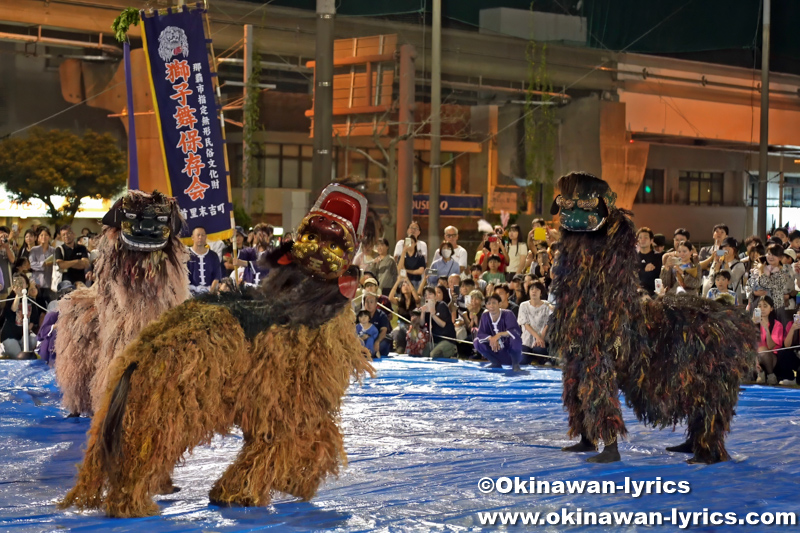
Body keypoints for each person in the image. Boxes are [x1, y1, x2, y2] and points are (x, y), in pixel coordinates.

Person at [473, 293, 525, 371]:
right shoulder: (485, 316)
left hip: (509, 353)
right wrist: (491, 338)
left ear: (499, 304)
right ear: (486, 306)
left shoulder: (508, 314)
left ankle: (515, 364)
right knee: (477, 341)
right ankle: (495, 362)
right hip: (495, 351)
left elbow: (515, 330)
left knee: (515, 339)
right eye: (489, 303)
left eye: (494, 303)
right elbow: (481, 333)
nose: (491, 306)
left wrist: (499, 335)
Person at [748, 244, 792, 324]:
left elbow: (766, 283)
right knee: (757, 331)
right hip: (758, 306)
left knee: (774, 332)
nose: (770, 257)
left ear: (780, 258)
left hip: (775, 308)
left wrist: (761, 271)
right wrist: (754, 292)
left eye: (774, 254)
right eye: (769, 253)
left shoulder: (782, 273)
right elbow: (749, 284)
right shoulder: (760, 268)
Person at [1, 273, 40, 358]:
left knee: (33, 340)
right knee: (19, 357)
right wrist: (17, 295)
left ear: (26, 284)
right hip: (10, 335)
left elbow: (33, 321)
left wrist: (24, 334)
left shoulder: (31, 301)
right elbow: (12, 310)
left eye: (22, 282)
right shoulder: (10, 297)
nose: (20, 285)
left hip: (23, 333)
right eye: (18, 282)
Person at [703, 236, 746, 304]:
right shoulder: (719, 262)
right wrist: (715, 263)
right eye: (723, 248)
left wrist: (726, 264)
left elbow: (731, 280)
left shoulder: (739, 265)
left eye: (728, 248)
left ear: (734, 250)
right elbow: (711, 280)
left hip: (731, 299)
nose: (725, 250)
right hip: (716, 299)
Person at [517, 281, 552, 365]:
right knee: (522, 360)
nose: (534, 291)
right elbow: (526, 324)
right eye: (531, 289)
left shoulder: (547, 305)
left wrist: (541, 338)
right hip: (527, 340)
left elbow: (548, 323)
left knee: (539, 350)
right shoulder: (523, 305)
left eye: (537, 289)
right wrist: (537, 337)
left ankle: (546, 360)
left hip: (542, 340)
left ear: (541, 292)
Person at [419, 286, 458, 358]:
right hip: (435, 340)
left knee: (434, 354)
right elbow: (421, 324)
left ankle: (453, 352)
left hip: (447, 339)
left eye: (430, 294)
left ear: (435, 296)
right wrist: (423, 313)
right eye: (425, 295)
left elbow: (443, 325)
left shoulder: (442, 305)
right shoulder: (427, 309)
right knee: (424, 354)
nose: (428, 296)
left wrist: (433, 315)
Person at [754, 296, 785, 385]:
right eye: (759, 306)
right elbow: (749, 345)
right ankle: (759, 373)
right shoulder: (753, 324)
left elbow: (771, 346)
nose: (762, 309)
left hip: (770, 358)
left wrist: (766, 329)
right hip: (755, 357)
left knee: (763, 349)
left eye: (765, 306)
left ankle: (771, 374)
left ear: (771, 309)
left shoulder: (777, 324)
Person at [186, 226, 223, 296]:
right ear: (192, 237)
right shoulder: (186, 254)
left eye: (203, 235)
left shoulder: (213, 255)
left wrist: (211, 293)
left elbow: (217, 277)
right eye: (198, 235)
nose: (200, 237)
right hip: (190, 294)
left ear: (206, 237)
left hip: (209, 293)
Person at [388, 276, 418, 354]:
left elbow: (417, 298)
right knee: (396, 332)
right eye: (403, 285)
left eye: (407, 285)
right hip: (401, 326)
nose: (405, 287)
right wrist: (397, 281)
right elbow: (390, 298)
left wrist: (408, 280)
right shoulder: (399, 301)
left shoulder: (416, 300)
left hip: (413, 327)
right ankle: (399, 349)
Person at [362, 293, 393, 358]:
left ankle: (368, 353)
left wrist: (377, 341)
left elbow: (383, 331)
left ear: (376, 304)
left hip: (379, 340)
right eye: (366, 302)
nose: (368, 304)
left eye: (371, 302)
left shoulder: (382, 315)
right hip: (364, 340)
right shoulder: (360, 316)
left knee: (384, 342)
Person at [636, 227, 662, 295]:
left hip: (654, 293)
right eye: (640, 237)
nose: (642, 240)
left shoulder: (658, 257)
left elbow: (660, 275)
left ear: (651, 241)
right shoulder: (633, 258)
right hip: (637, 292)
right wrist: (644, 271)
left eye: (646, 237)